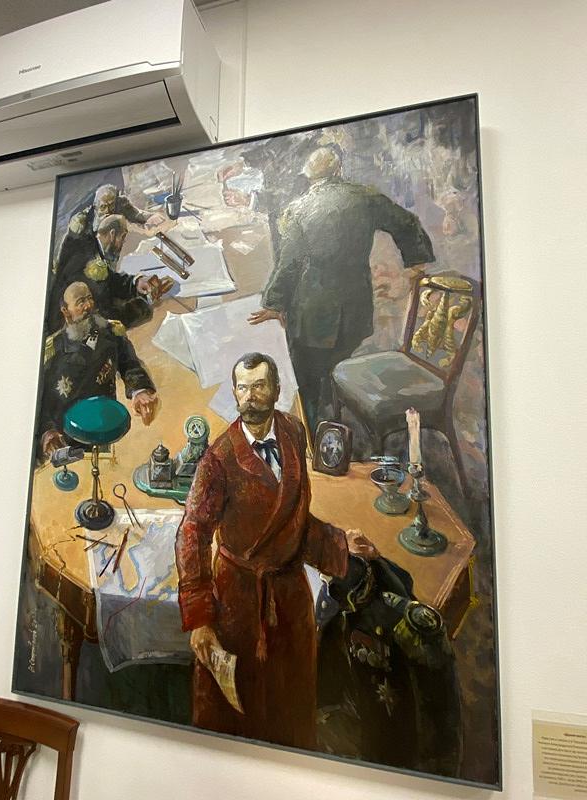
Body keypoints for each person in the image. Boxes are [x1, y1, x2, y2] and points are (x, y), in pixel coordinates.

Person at [175, 352, 379, 750]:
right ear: (235, 393)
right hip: (237, 597)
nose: (250, 396)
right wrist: (199, 618)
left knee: (291, 698)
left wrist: (339, 543)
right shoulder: (218, 459)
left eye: (259, 386)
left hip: (290, 593)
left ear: (276, 390)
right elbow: (192, 535)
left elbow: (294, 519)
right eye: (243, 388)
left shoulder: (293, 432)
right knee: (237, 706)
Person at [249, 147, 436, 435]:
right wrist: (416, 262)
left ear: (310, 177)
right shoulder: (366, 197)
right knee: (338, 359)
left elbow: (290, 262)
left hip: (312, 311)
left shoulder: (300, 208)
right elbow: (407, 222)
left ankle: (314, 430)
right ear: (338, 170)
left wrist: (273, 303)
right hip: (355, 306)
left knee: (307, 374)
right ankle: (334, 405)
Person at [40, 282, 158, 458]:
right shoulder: (52, 351)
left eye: (89, 298)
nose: (88, 306)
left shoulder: (111, 332)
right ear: (66, 311)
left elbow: (129, 363)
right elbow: (40, 400)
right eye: (80, 302)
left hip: (104, 426)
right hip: (64, 438)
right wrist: (46, 431)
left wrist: (139, 390)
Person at [46, 214, 173, 333]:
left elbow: (111, 280)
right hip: (67, 330)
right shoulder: (84, 259)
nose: (123, 243)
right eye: (122, 237)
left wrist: (137, 282)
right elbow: (105, 314)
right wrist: (145, 303)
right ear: (112, 234)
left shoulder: (92, 247)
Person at [55, 182, 165, 273]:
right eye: (103, 207)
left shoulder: (121, 203)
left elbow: (137, 215)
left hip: (119, 251)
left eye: (111, 205)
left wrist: (151, 216)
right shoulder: (82, 220)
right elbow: (68, 246)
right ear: (95, 206)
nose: (107, 210)